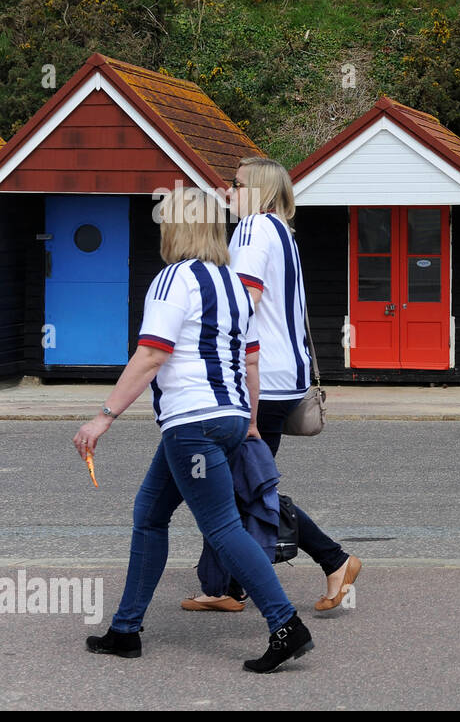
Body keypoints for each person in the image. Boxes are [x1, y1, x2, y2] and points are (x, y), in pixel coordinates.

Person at [77, 187, 313, 673]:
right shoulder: (232, 283)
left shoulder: (173, 279)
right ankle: (125, 629)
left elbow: (152, 355)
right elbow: (252, 360)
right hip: (223, 419)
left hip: (192, 424)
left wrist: (103, 417)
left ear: (176, 229)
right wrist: (247, 421)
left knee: (222, 527)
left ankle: (286, 624)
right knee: (149, 513)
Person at [182, 157, 360, 614]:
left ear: (259, 191)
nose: (228, 193)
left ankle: (333, 558)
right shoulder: (281, 230)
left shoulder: (253, 229)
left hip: (261, 378)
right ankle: (220, 584)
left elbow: (245, 302)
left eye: (237, 185)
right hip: (286, 374)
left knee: (246, 487)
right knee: (231, 486)